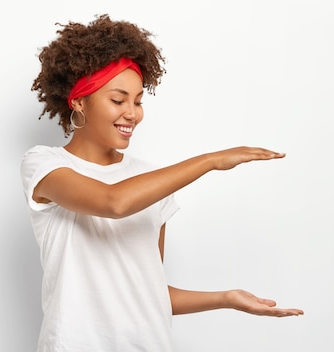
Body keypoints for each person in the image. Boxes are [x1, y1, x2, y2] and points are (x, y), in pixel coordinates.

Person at [20, 14, 303, 352]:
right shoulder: (45, 165)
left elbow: (148, 291)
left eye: (138, 101)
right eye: (118, 99)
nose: (132, 113)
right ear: (79, 101)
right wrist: (209, 161)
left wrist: (227, 298)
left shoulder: (151, 183)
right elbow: (114, 203)